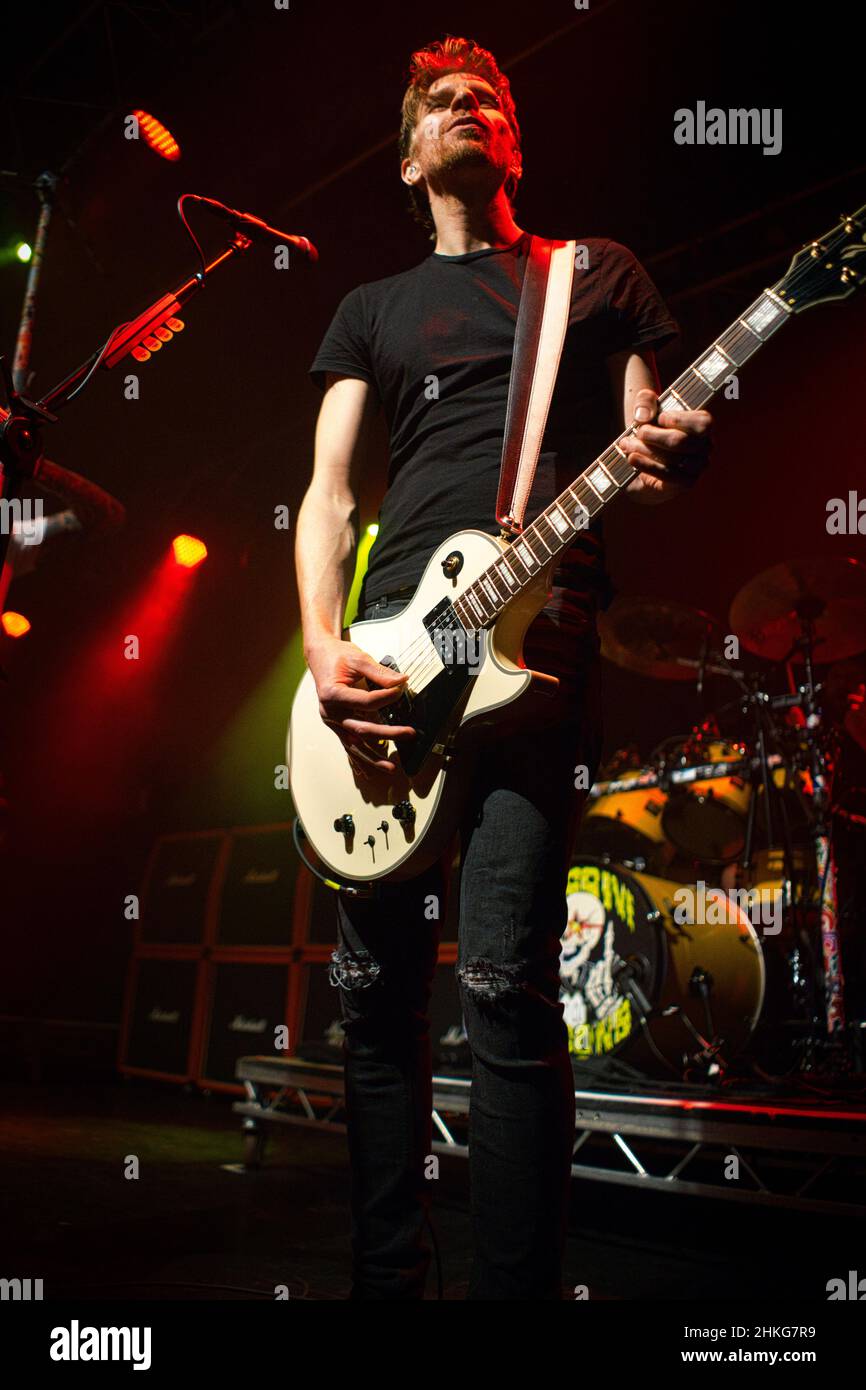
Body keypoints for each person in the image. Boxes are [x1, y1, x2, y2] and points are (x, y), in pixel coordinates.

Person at [294, 35, 712, 1299]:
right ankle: (387, 1276)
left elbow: (654, 444)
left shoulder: (593, 276)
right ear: (413, 152)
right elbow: (323, 494)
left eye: (488, 96)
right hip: (386, 658)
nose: (466, 107)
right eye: (438, 100)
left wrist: (674, 447)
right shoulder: (368, 309)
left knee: (502, 986)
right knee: (372, 997)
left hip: (536, 657)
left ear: (510, 141)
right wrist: (321, 642)